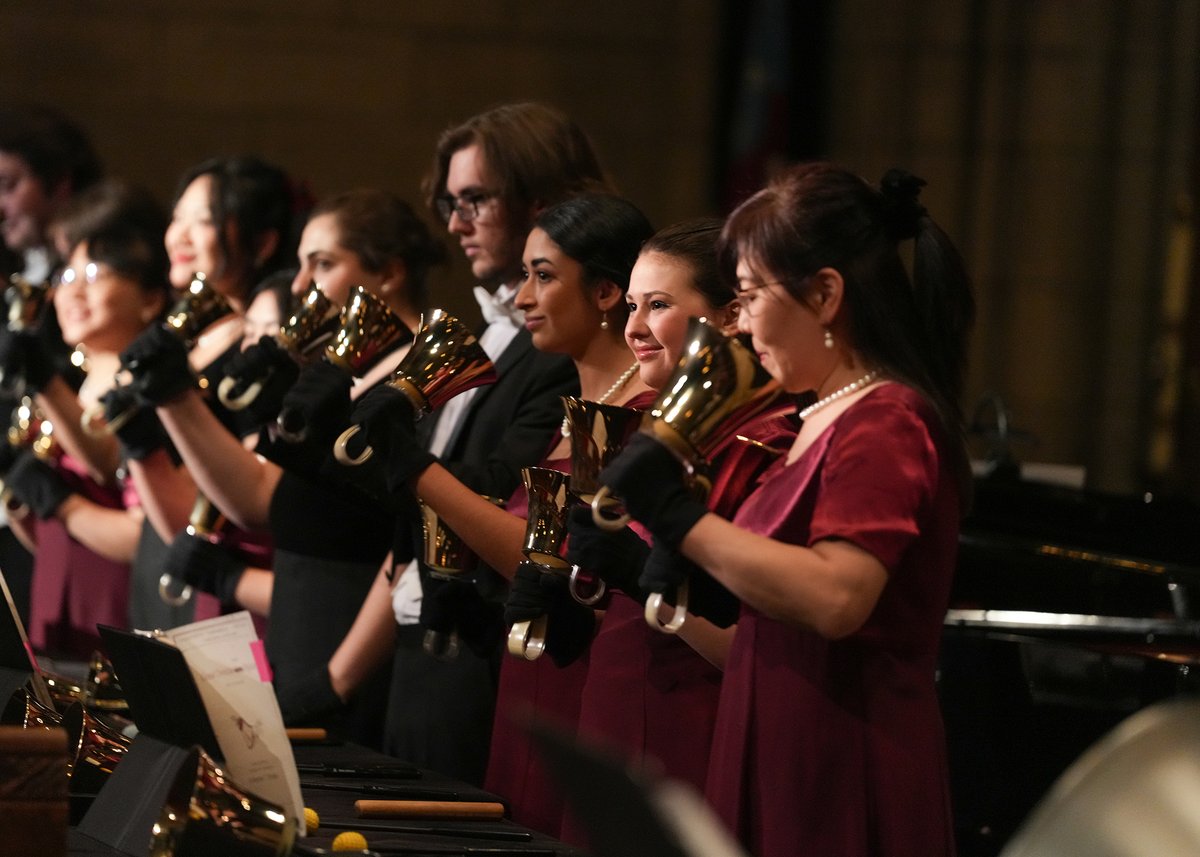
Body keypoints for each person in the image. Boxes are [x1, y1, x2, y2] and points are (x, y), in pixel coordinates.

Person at [595, 163, 975, 857]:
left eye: (747, 295)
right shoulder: (820, 415)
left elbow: (837, 597)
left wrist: (679, 519)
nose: (738, 321)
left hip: (841, 759)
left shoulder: (885, 419)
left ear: (825, 294)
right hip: (781, 737)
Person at [344, 192, 654, 838]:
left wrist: (416, 468)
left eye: (543, 276)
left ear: (605, 292)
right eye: (523, 276)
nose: (522, 297)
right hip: (528, 677)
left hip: (593, 685)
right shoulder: (572, 411)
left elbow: (563, 560)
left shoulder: (642, 414)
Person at [321, 102, 605, 785]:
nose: (454, 224)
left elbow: (504, 497)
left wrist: (404, 459)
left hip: (487, 657)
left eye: (475, 200)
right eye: (449, 204)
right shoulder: (491, 335)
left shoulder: (559, 355)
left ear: (542, 199)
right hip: (424, 646)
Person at [120, 187, 441, 748]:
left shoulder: (421, 384)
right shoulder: (339, 377)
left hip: (357, 666)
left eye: (323, 264)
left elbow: (411, 542)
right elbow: (259, 500)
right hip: (300, 642)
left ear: (389, 273)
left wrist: (337, 681)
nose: (299, 285)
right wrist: (171, 396)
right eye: (301, 264)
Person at [561, 219, 796, 813]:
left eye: (658, 305)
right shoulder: (652, 426)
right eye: (632, 305)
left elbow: (752, 648)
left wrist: (642, 577)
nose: (633, 327)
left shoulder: (765, 443)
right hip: (614, 715)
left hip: (687, 734)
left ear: (730, 315)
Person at [122, 154, 302, 632]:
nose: (178, 236)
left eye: (203, 221)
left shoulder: (260, 352)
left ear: (263, 242)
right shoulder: (179, 339)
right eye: (177, 217)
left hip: (217, 582)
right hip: (159, 556)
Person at [2, 179, 170, 660]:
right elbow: (55, 535)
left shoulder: (149, 391)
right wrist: (22, 498)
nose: (72, 291)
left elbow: (147, 537)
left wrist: (62, 505)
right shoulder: (76, 385)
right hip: (58, 601)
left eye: (94, 274)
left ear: (151, 298)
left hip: (118, 614)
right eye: (66, 275)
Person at [0, 104, 103, 623]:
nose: (0, 205)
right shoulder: (17, 274)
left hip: (59, 522)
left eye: (10, 185)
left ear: (60, 184)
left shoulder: (88, 298)